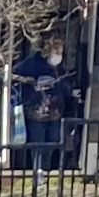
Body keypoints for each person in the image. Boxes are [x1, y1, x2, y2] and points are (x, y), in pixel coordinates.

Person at [15, 37, 72, 171]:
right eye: (56, 52)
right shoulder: (33, 63)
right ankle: (37, 170)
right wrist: (34, 83)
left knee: (53, 142)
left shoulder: (61, 67)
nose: (58, 56)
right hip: (37, 112)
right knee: (38, 144)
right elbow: (17, 75)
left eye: (60, 52)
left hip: (55, 112)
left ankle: (46, 170)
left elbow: (63, 84)